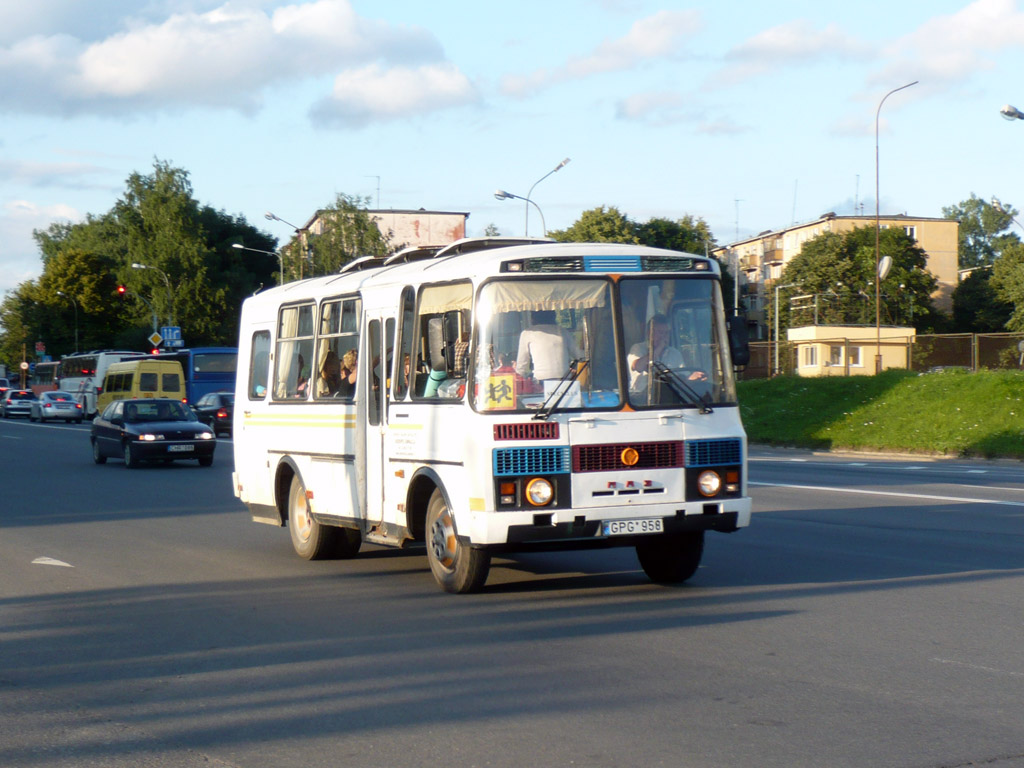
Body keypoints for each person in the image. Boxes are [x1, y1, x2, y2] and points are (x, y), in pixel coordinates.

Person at [628, 314, 705, 395]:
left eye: (667, 333)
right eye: (661, 333)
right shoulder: (638, 348)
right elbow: (637, 367)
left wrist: (694, 377)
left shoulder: (674, 353)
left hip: (669, 397)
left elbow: (682, 376)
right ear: (649, 333)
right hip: (642, 399)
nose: (664, 336)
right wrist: (658, 349)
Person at [515, 310, 581, 381]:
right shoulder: (562, 331)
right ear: (553, 316)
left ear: (532, 318)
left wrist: (517, 374)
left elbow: (522, 366)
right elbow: (579, 355)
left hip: (540, 380)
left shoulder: (527, 333)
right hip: (564, 380)